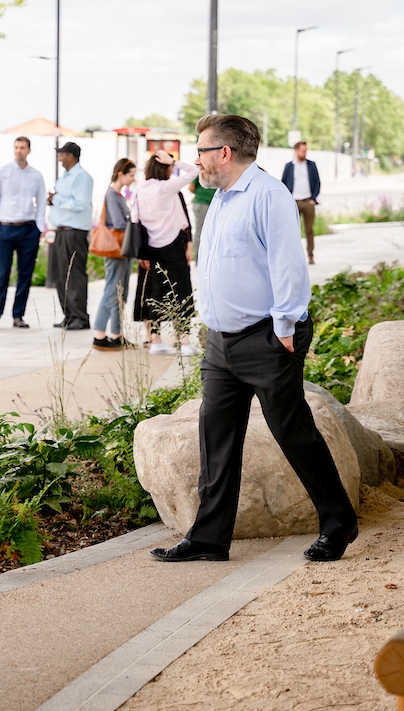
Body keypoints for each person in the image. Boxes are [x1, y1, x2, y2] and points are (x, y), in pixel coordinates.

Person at [151, 114, 358, 565]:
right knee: (216, 437)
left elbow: (288, 264)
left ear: (223, 153)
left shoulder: (269, 196)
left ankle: (339, 522)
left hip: (267, 337)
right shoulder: (223, 197)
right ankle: (208, 539)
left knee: (293, 432)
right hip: (221, 342)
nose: (196, 160)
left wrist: (284, 329)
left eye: (202, 150)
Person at [133, 150, 197, 356]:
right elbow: (194, 171)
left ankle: (155, 340)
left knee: (156, 292)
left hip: (151, 247)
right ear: (165, 168)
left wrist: (141, 253)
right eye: (169, 166)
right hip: (173, 245)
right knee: (182, 291)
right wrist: (175, 160)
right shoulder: (166, 187)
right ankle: (184, 341)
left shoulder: (141, 190)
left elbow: (136, 220)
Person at [0, 136, 46, 329]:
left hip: (28, 230)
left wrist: (39, 227)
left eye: (22, 148)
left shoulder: (36, 175)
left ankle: (18, 315)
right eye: (16, 147)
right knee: (1, 273)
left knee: (25, 275)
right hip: (5, 228)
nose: (18, 151)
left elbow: (42, 202)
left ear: (29, 150)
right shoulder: (2, 173)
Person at [90, 158, 137, 351]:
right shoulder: (112, 195)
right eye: (131, 175)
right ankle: (99, 335)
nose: (133, 179)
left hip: (122, 251)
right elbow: (118, 223)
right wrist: (133, 223)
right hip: (116, 250)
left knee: (121, 292)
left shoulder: (117, 195)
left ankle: (116, 335)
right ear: (121, 174)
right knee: (112, 291)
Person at [48, 141, 93, 330]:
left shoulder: (82, 177)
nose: (59, 158)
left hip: (74, 232)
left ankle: (80, 317)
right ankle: (69, 314)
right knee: (60, 275)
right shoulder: (63, 178)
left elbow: (80, 204)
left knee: (74, 274)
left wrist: (56, 199)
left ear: (71, 156)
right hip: (61, 231)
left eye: (62, 154)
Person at [280, 141, 320, 264]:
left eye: (306, 151)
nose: (305, 153)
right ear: (296, 151)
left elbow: (317, 183)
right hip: (294, 202)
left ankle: (310, 255)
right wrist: (287, 200)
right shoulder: (289, 166)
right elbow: (283, 184)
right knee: (293, 230)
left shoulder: (311, 165)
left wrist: (313, 198)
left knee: (309, 230)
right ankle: (294, 256)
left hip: (308, 201)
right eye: (303, 151)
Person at [188, 174, 216, 262]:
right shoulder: (200, 168)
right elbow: (191, 187)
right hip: (202, 203)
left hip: (210, 203)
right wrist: (201, 194)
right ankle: (197, 258)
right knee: (199, 232)